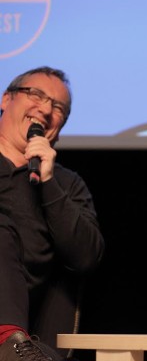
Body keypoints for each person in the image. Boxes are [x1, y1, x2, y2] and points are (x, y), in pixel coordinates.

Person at [0, 67, 104, 361]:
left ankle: (11, 343)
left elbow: (86, 256)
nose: (45, 109)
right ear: (6, 99)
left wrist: (48, 182)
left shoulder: (67, 185)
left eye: (58, 107)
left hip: (30, 344)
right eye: (35, 94)